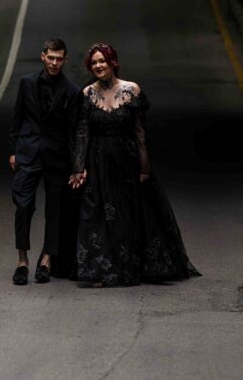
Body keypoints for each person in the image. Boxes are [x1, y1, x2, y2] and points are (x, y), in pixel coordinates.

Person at [69, 43, 200, 287]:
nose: (98, 65)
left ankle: (129, 268)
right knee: (97, 215)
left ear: (112, 63)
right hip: (98, 161)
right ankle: (102, 269)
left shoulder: (131, 90)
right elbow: (82, 133)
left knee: (129, 215)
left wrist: (144, 168)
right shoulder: (87, 94)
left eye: (102, 61)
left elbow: (140, 133)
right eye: (94, 62)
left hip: (126, 160)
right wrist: (78, 167)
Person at [9, 38, 80, 286]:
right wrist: (13, 150)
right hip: (28, 154)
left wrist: (76, 166)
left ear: (65, 60)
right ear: (43, 56)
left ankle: (46, 261)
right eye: (51, 57)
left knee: (55, 210)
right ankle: (22, 261)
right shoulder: (27, 83)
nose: (54, 62)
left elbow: (72, 131)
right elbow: (17, 118)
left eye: (59, 58)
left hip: (56, 157)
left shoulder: (71, 91)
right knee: (23, 206)